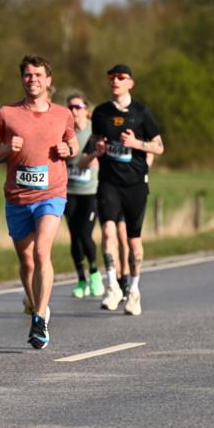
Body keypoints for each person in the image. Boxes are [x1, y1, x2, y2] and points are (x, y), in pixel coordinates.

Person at [0, 55, 77, 349]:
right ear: (22, 79)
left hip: (52, 194)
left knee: (41, 252)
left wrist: (68, 149)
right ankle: (35, 302)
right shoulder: (6, 114)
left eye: (38, 75)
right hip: (17, 197)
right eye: (27, 75)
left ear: (48, 80)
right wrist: (4, 149)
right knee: (26, 262)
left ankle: (39, 318)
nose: (32, 79)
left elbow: (73, 143)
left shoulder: (63, 114)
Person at [86, 64, 165, 315]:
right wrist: (98, 147)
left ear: (131, 83)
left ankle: (134, 291)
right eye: (111, 77)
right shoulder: (100, 112)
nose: (115, 81)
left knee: (134, 243)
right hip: (109, 182)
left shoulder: (142, 112)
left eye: (121, 77)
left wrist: (135, 143)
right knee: (108, 233)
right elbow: (96, 140)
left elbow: (159, 147)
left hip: (135, 184)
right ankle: (112, 287)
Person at [63, 93, 103, 299]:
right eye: (70, 107)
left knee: (85, 233)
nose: (73, 111)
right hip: (69, 192)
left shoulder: (94, 130)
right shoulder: (64, 131)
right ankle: (81, 280)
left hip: (91, 192)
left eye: (78, 107)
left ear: (86, 110)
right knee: (74, 237)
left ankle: (95, 273)